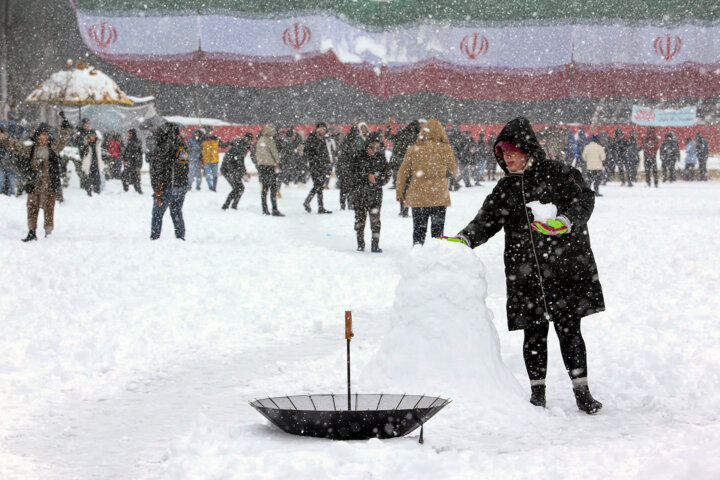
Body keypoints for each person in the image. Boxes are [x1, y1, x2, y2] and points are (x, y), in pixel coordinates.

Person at [447, 117, 604, 415]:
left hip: (564, 269)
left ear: (528, 150)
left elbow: (584, 199)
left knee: (570, 330)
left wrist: (566, 222)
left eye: (512, 152)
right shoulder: (505, 188)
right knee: (533, 335)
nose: (507, 158)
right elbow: (486, 221)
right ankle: (537, 394)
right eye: (502, 153)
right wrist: (463, 239)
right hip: (526, 274)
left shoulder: (558, 173)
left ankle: (582, 392)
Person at [0, 117, 73, 241]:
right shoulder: (31, 148)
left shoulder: (52, 148)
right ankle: (31, 231)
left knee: (49, 208)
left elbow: (62, 142)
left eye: (47, 135)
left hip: (49, 183)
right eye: (43, 135)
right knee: (32, 208)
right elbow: (16, 145)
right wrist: (3, 137)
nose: (45, 137)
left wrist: (65, 130)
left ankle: (48, 233)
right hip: (34, 183)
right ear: (38, 136)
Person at [396, 118, 459, 245]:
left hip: (418, 195)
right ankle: (436, 259)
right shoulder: (445, 149)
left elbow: (402, 173)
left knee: (418, 231)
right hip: (439, 196)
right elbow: (454, 170)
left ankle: (418, 256)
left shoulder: (414, 149)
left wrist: (400, 192)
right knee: (438, 234)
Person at [350, 133, 391, 252]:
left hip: (375, 194)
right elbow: (351, 175)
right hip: (360, 194)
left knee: (375, 221)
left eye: (377, 147)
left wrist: (378, 180)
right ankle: (360, 244)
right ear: (366, 145)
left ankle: (375, 244)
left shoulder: (381, 157)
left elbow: (388, 174)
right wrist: (366, 177)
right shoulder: (358, 156)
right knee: (360, 221)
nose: (374, 150)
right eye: (371, 147)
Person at [149, 123, 189, 240]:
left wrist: (157, 187)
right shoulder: (182, 147)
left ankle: (155, 237)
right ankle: (180, 236)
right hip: (181, 185)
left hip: (166, 185)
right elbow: (185, 166)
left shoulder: (161, 147)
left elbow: (157, 169)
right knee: (176, 212)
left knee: (157, 213)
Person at [385, 119, 421, 216]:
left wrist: (389, 126)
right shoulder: (418, 137)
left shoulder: (402, 133)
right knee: (411, 187)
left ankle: (403, 209)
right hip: (411, 165)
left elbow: (387, 136)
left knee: (402, 187)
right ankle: (410, 208)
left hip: (398, 164)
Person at [255, 124, 285, 216]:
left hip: (261, 166)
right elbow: (274, 153)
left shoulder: (260, 140)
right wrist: (277, 162)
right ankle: (274, 209)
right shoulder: (270, 140)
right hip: (270, 166)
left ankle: (265, 209)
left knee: (264, 189)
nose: (275, 132)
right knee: (273, 188)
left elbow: (257, 154)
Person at [302, 122, 333, 214]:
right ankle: (312, 204)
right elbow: (307, 152)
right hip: (315, 166)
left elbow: (325, 153)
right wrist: (314, 159)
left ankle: (318, 206)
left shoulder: (323, 139)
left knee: (319, 186)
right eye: (322, 129)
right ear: (318, 129)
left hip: (322, 165)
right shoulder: (312, 139)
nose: (324, 131)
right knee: (318, 185)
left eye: (325, 129)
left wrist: (326, 162)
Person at [220, 134, 252, 210]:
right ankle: (227, 206)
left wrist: (242, 173)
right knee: (238, 188)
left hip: (229, 169)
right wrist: (244, 173)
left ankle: (231, 205)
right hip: (228, 169)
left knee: (239, 188)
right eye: (251, 140)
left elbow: (238, 161)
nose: (251, 142)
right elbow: (239, 161)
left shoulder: (239, 143)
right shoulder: (242, 146)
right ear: (247, 139)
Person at [80, 130, 104, 196]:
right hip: (88, 166)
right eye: (91, 136)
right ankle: (89, 197)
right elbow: (82, 154)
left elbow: (100, 155)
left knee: (97, 184)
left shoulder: (98, 144)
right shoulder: (85, 145)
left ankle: (97, 196)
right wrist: (86, 145)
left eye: (93, 135)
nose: (92, 137)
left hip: (96, 166)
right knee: (88, 184)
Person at [121, 129, 143, 194]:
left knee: (134, 178)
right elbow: (127, 152)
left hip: (134, 163)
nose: (128, 135)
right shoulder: (130, 141)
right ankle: (129, 190)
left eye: (129, 134)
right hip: (131, 163)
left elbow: (134, 153)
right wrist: (125, 158)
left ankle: (137, 191)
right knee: (126, 176)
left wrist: (127, 159)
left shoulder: (135, 142)